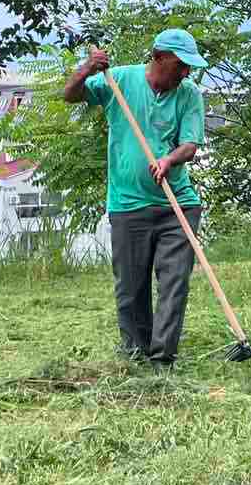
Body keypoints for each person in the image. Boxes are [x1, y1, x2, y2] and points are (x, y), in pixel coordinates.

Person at [64, 28, 209, 365]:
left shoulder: (189, 94)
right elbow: (71, 95)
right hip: (128, 204)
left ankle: (162, 358)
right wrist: (86, 69)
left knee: (174, 282)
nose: (186, 72)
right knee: (131, 288)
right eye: (180, 65)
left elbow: (189, 145)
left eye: (189, 67)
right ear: (158, 58)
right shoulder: (119, 81)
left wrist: (168, 160)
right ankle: (135, 353)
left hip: (177, 203)